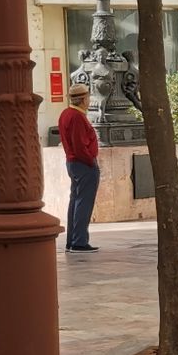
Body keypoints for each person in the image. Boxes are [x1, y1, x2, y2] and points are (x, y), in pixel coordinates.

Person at [59, 83, 101, 254]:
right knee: (84, 202)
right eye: (88, 97)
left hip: (74, 163)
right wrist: (91, 161)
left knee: (76, 201)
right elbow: (79, 145)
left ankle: (73, 241)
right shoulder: (76, 116)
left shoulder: (66, 114)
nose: (89, 100)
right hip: (83, 164)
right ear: (83, 99)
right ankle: (79, 241)